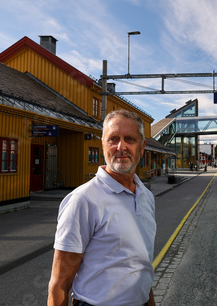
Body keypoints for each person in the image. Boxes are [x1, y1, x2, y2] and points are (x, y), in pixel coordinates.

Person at [48, 110, 156, 306]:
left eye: (129, 139)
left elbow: (141, 266)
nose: (120, 147)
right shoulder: (83, 200)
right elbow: (59, 284)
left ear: (142, 147)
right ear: (103, 145)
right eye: (113, 139)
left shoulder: (146, 197)